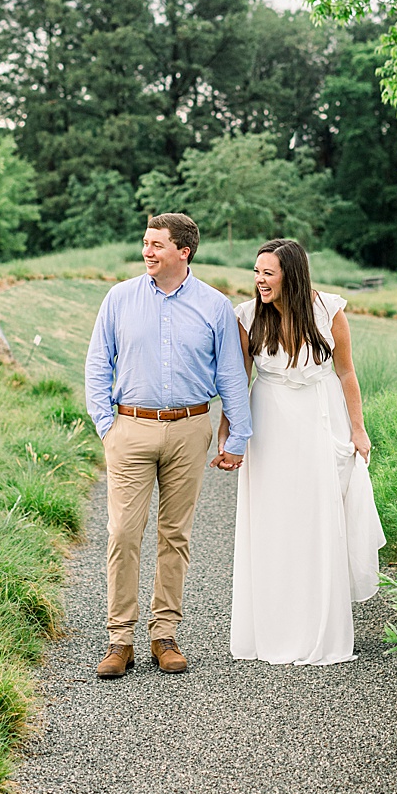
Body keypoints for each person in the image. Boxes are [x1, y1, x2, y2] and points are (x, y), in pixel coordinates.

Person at [83, 212, 253, 679]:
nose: (147, 251)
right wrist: (106, 424)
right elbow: (98, 362)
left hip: (190, 429)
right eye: (145, 242)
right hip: (130, 429)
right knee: (122, 534)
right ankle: (120, 641)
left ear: (184, 251)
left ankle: (164, 636)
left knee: (174, 535)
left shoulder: (215, 306)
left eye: (157, 244)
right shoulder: (119, 299)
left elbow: (230, 375)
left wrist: (237, 434)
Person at [227, 238, 385, 665]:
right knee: (273, 517)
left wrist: (358, 429)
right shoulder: (246, 317)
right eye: (257, 272)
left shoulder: (329, 310)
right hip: (270, 422)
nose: (259, 281)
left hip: (319, 415)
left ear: (290, 275)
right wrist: (231, 435)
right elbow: (237, 383)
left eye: (268, 273)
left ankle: (319, 625)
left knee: (317, 515)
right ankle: (272, 626)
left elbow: (347, 371)